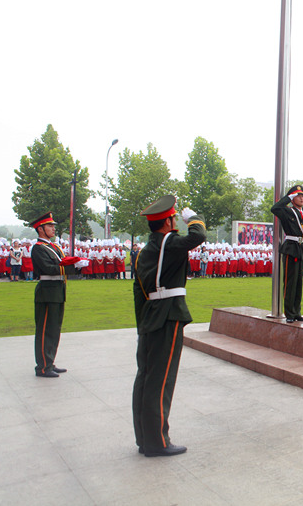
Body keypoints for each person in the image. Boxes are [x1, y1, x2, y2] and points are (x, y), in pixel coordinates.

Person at [132, 195, 205, 457]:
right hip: (168, 314)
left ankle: (144, 438)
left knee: (145, 377)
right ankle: (157, 442)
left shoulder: (146, 250)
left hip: (151, 314)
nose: (176, 222)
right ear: (167, 222)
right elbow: (197, 236)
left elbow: (138, 292)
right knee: (161, 380)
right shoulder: (169, 243)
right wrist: (194, 219)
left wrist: (142, 321)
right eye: (174, 218)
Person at [30, 212, 89, 377]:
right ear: (40, 229)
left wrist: (76, 264)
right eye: (50, 226)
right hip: (47, 292)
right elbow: (50, 269)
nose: (53, 228)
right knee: (45, 330)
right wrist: (73, 268)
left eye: (53, 226)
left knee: (54, 329)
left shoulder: (53, 247)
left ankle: (49, 362)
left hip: (57, 291)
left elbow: (62, 263)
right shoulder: (38, 248)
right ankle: (42, 367)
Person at [271, 184, 303, 323]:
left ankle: (297, 312)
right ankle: (289, 313)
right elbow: (274, 208)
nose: (301, 198)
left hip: (301, 248)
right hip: (290, 248)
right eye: (298, 196)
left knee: (299, 282)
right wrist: (288, 198)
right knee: (290, 282)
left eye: (302, 196)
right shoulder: (287, 211)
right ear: (293, 198)